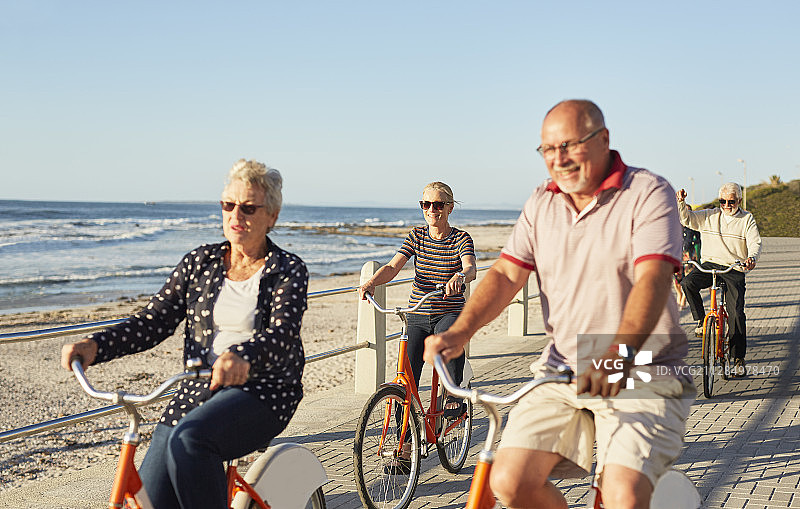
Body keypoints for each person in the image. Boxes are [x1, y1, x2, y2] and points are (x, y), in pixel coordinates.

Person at [424, 100, 695, 509]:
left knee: (623, 494)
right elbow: (505, 274)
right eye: (547, 150)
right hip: (561, 370)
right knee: (509, 480)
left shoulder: (647, 193)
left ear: (603, 139)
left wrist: (618, 355)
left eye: (569, 145)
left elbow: (653, 282)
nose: (558, 159)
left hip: (644, 369)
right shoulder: (541, 202)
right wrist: (460, 331)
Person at [61, 159, 308, 509]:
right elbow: (153, 321)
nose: (237, 215)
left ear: (273, 216)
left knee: (191, 439)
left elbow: (283, 333)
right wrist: (96, 345)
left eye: (249, 208)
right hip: (197, 389)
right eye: (228, 205)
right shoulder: (199, 262)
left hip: (264, 391)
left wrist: (243, 357)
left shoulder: (288, 269)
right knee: (151, 499)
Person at [358, 181, 477, 468]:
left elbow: (470, 266)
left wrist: (461, 277)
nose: (431, 210)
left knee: (449, 338)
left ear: (449, 207)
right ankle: (405, 445)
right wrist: (371, 282)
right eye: (426, 204)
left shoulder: (461, 238)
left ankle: (452, 393)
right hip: (417, 313)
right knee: (405, 381)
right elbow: (393, 267)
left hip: (447, 309)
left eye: (438, 204)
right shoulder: (416, 236)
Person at [677, 183, 761, 376]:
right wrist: (681, 202)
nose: (726, 205)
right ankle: (700, 322)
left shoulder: (746, 219)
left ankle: (738, 359)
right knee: (688, 283)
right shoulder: (709, 215)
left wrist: (751, 259)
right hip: (710, 264)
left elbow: (755, 242)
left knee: (736, 313)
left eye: (731, 201)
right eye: (722, 201)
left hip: (734, 266)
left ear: (739, 200)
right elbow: (686, 219)